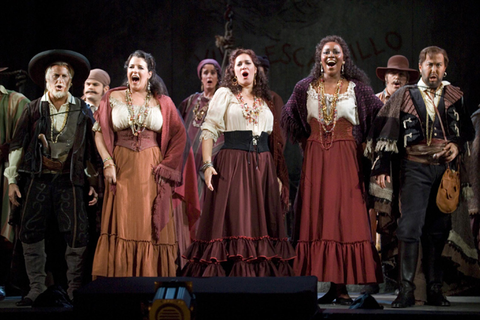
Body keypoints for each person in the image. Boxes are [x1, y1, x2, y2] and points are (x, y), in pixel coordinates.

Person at [367, 46, 474, 307]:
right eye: (429, 65)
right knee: (410, 227)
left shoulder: (454, 95)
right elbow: (385, 128)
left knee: (438, 230)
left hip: (445, 171)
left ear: (444, 68)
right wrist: (382, 167)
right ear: (421, 67)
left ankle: (435, 290)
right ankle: (406, 290)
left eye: (438, 65)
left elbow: (467, 131)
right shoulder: (405, 94)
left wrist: (456, 145)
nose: (434, 69)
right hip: (414, 167)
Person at [281, 35, 383, 304]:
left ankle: (341, 287)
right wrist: (308, 139)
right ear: (319, 58)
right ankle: (322, 286)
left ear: (344, 59)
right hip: (316, 158)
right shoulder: (305, 87)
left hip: (347, 157)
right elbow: (289, 116)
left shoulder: (357, 89)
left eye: (336, 52)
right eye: (326, 52)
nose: (331, 56)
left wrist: (367, 147)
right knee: (318, 216)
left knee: (343, 216)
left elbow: (379, 115)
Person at [182, 48, 294, 277]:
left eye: (248, 63)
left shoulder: (266, 100)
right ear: (233, 71)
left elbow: (273, 140)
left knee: (260, 223)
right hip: (233, 162)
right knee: (237, 220)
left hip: (261, 166)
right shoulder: (225, 94)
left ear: (256, 70)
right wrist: (206, 164)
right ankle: (232, 275)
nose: (244, 67)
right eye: (239, 64)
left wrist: (277, 174)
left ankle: (260, 278)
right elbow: (209, 129)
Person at [5, 50, 99, 305]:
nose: (60, 81)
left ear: (70, 81)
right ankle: (36, 287)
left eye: (64, 76)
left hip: (70, 180)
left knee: (77, 233)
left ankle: (74, 288)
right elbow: (18, 145)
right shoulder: (34, 108)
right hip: (38, 177)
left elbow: (91, 148)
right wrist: (12, 181)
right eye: (55, 76)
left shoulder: (82, 110)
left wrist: (92, 182)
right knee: (31, 230)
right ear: (47, 81)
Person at [91, 50, 188, 278]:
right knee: (123, 221)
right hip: (122, 167)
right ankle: (121, 280)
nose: (134, 71)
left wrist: (166, 167)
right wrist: (107, 162)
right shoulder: (112, 97)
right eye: (131, 67)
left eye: (140, 68)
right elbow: (97, 132)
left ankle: (149, 276)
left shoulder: (163, 102)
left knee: (148, 225)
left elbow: (179, 136)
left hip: (151, 170)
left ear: (150, 74)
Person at [365, 55, 421, 296]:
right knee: (380, 221)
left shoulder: (414, 103)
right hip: (377, 169)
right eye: (393, 74)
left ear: (408, 79)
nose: (397, 78)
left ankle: (401, 276)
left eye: (402, 75)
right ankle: (380, 274)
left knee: (403, 220)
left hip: (406, 168)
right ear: (385, 77)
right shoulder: (374, 102)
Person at [0, 66, 30, 300]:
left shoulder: (16, 101)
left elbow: (24, 139)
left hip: (6, 171)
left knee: (6, 227)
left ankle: (4, 281)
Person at [178, 59, 224, 210]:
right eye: (206, 73)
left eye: (213, 72)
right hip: (189, 158)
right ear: (201, 77)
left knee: (205, 201)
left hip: (211, 159)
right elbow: (178, 125)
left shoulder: (223, 102)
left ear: (218, 77)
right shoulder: (191, 101)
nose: (209, 76)